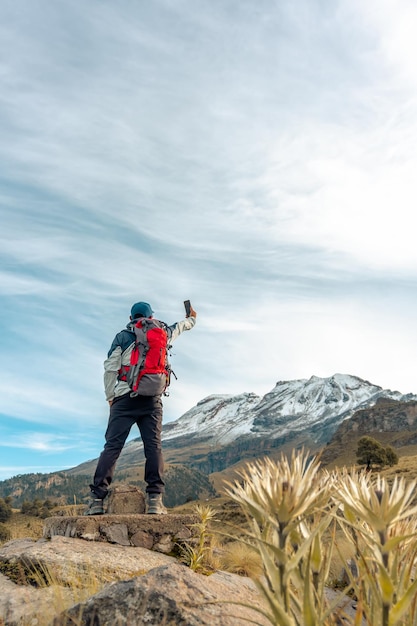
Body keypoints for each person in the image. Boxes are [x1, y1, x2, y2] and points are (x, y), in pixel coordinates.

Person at [85, 300, 197, 515]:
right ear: (151, 316)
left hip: (123, 399)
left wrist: (110, 396)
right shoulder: (162, 331)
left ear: (131, 318)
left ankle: (97, 501)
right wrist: (191, 318)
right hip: (152, 400)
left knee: (112, 447)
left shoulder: (123, 336)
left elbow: (110, 368)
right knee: (153, 447)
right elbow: (182, 327)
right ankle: (155, 500)